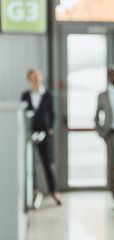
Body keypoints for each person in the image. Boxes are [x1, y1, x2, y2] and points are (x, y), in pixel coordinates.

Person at [21, 69, 61, 206]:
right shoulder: (25, 95)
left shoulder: (48, 95)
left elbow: (53, 114)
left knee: (47, 163)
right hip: (30, 133)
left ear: (40, 78)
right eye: (32, 78)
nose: (34, 80)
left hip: (44, 133)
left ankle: (53, 191)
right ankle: (34, 191)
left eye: (36, 77)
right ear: (29, 80)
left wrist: (51, 128)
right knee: (30, 163)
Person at [95, 68, 114, 210]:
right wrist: (103, 134)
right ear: (108, 78)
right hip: (112, 135)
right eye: (112, 75)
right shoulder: (103, 96)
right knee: (112, 169)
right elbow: (96, 118)